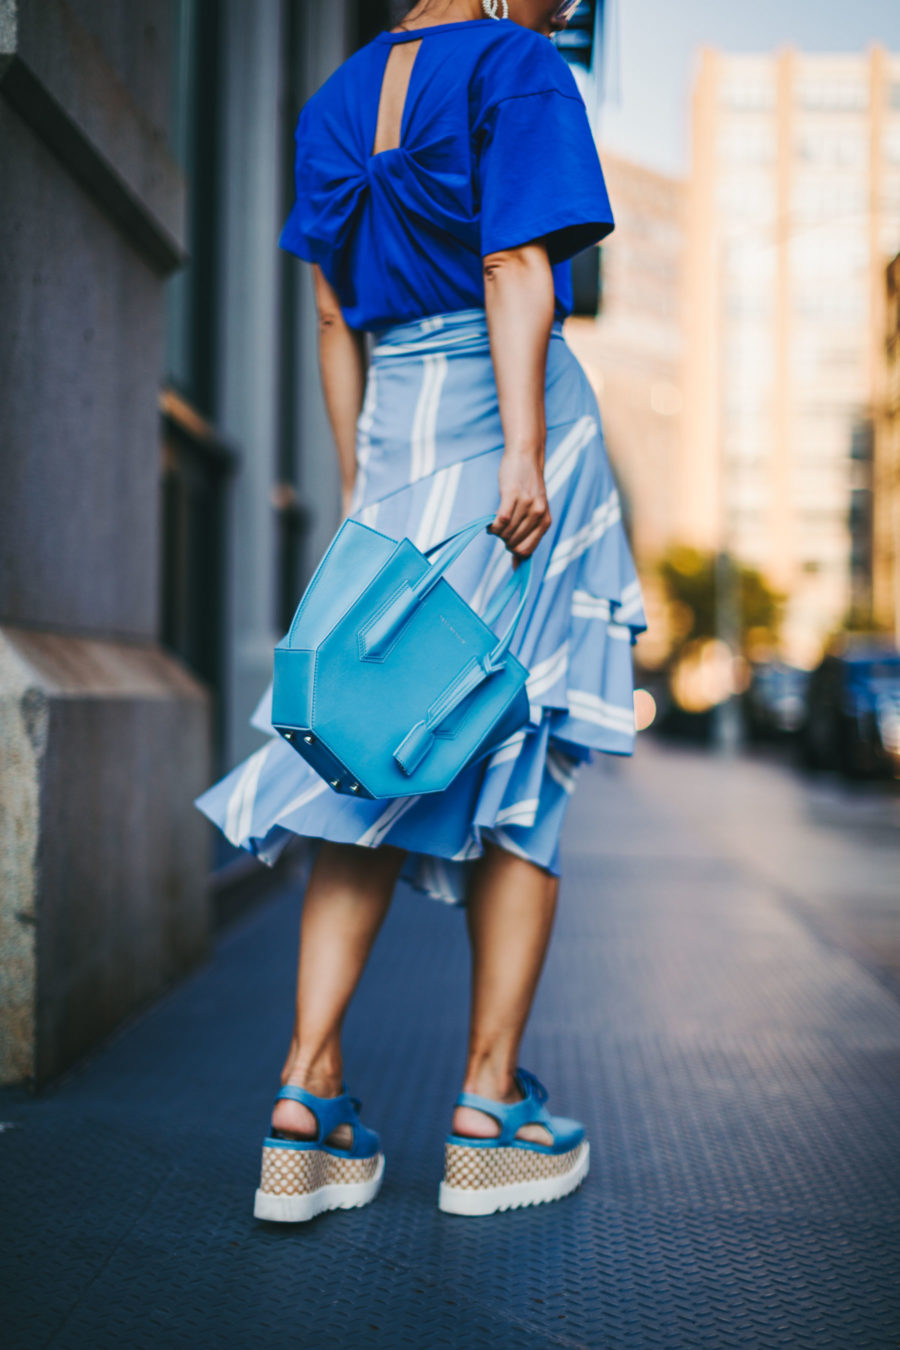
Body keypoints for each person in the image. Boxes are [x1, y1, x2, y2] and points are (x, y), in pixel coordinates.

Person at [194, 0, 648, 1221]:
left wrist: (358, 480)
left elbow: (334, 313)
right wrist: (524, 452)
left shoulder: (335, 97)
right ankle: (490, 1108)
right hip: (506, 428)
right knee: (525, 747)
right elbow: (516, 266)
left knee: (366, 756)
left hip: (393, 432)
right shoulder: (515, 63)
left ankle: (308, 1096)